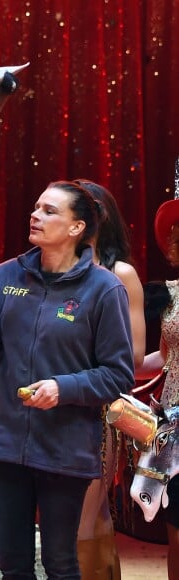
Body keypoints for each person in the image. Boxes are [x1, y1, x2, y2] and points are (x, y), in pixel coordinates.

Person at [0, 180, 135, 578]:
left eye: (49, 210)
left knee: (60, 563)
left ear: (76, 228)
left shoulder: (104, 289)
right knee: (13, 566)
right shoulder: (5, 277)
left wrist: (63, 388)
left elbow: (118, 375)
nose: (35, 215)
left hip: (64, 450)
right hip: (6, 443)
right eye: (36, 207)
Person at [74, 180, 145, 579]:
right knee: (82, 515)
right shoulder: (50, 270)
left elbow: (133, 356)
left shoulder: (121, 275)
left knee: (87, 511)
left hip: (98, 409)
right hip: (52, 406)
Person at [134, 195, 179, 580]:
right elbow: (163, 358)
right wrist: (120, 363)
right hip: (175, 427)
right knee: (177, 533)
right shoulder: (166, 295)